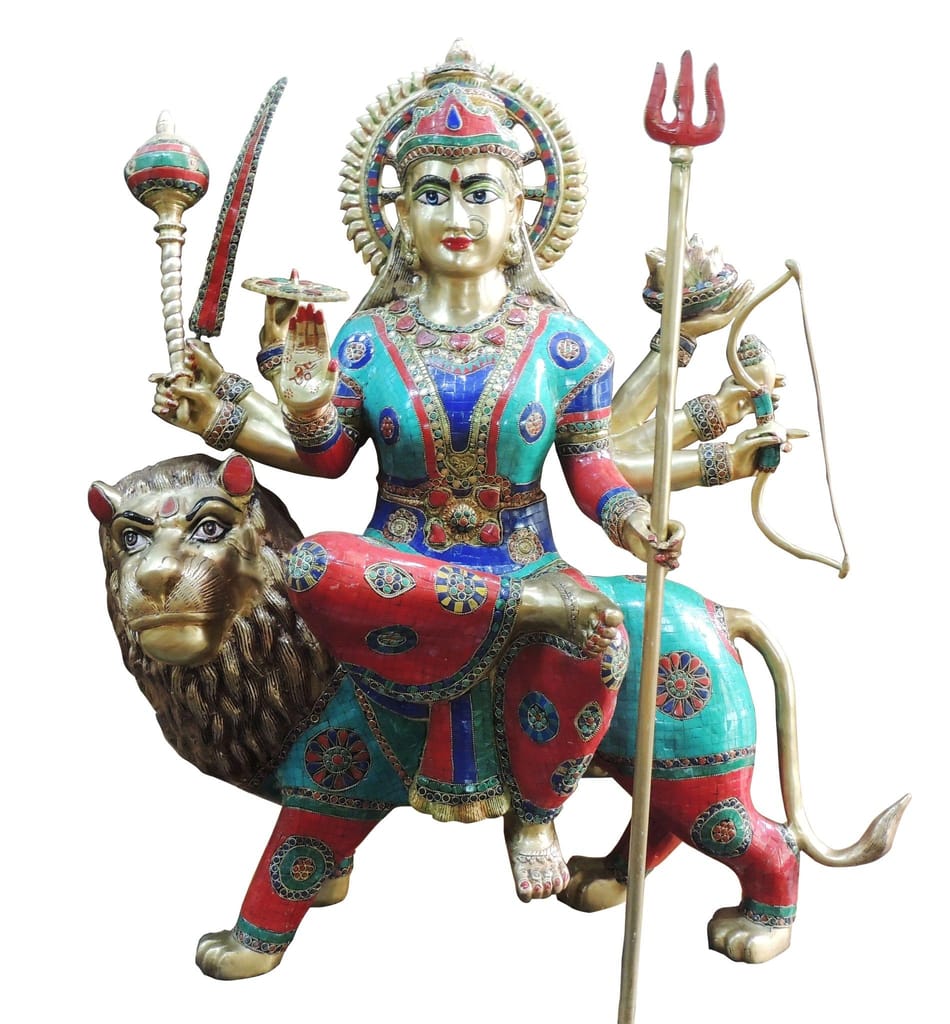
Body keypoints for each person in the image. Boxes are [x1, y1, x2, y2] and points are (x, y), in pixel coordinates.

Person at [152, 43, 767, 975]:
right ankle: (274, 917)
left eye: (480, 191)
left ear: (521, 212)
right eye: (432, 193)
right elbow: (327, 456)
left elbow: (593, 470)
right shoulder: (368, 339)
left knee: (599, 636)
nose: (456, 215)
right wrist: (280, 407)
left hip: (527, 559)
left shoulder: (566, 346)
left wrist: (630, 523)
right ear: (399, 216)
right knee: (312, 566)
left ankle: (539, 810)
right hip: (396, 579)